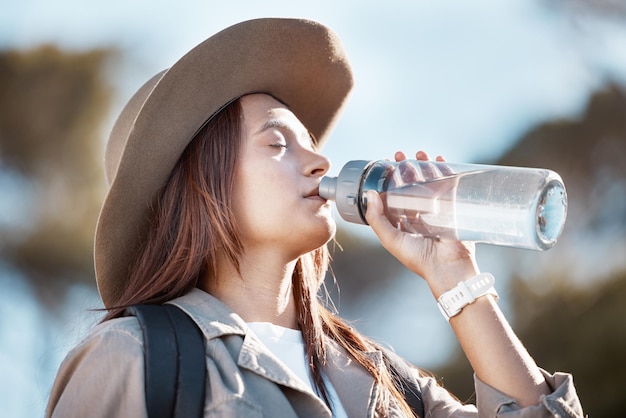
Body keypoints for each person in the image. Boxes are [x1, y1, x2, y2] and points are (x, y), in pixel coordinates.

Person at [46, 18, 584, 417]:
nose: (321, 161)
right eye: (277, 142)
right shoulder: (133, 358)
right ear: (200, 183)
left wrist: (457, 278)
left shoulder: (387, 383)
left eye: (310, 142)